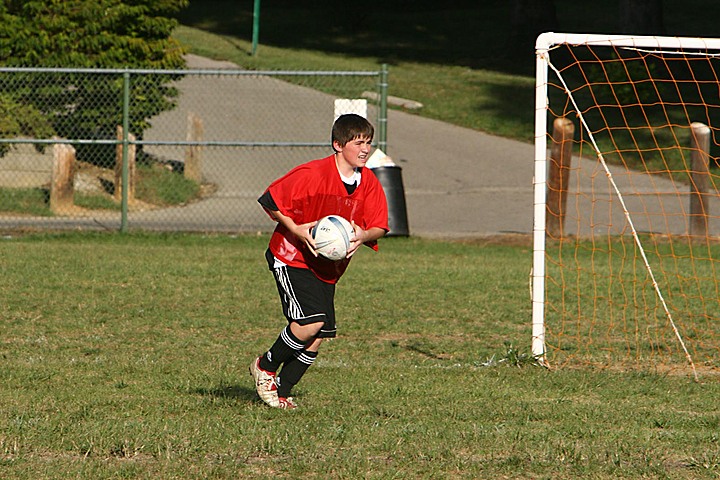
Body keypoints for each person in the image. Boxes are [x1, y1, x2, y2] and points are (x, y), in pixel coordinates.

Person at [250, 113, 389, 409]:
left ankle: (282, 392)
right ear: (338, 145)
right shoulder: (312, 174)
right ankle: (265, 366)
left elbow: (380, 225)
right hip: (291, 256)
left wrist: (363, 235)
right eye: (358, 142)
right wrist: (298, 229)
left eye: (368, 143)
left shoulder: (369, 183)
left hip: (327, 268)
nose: (365, 149)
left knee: (318, 336)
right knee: (310, 322)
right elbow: (271, 201)